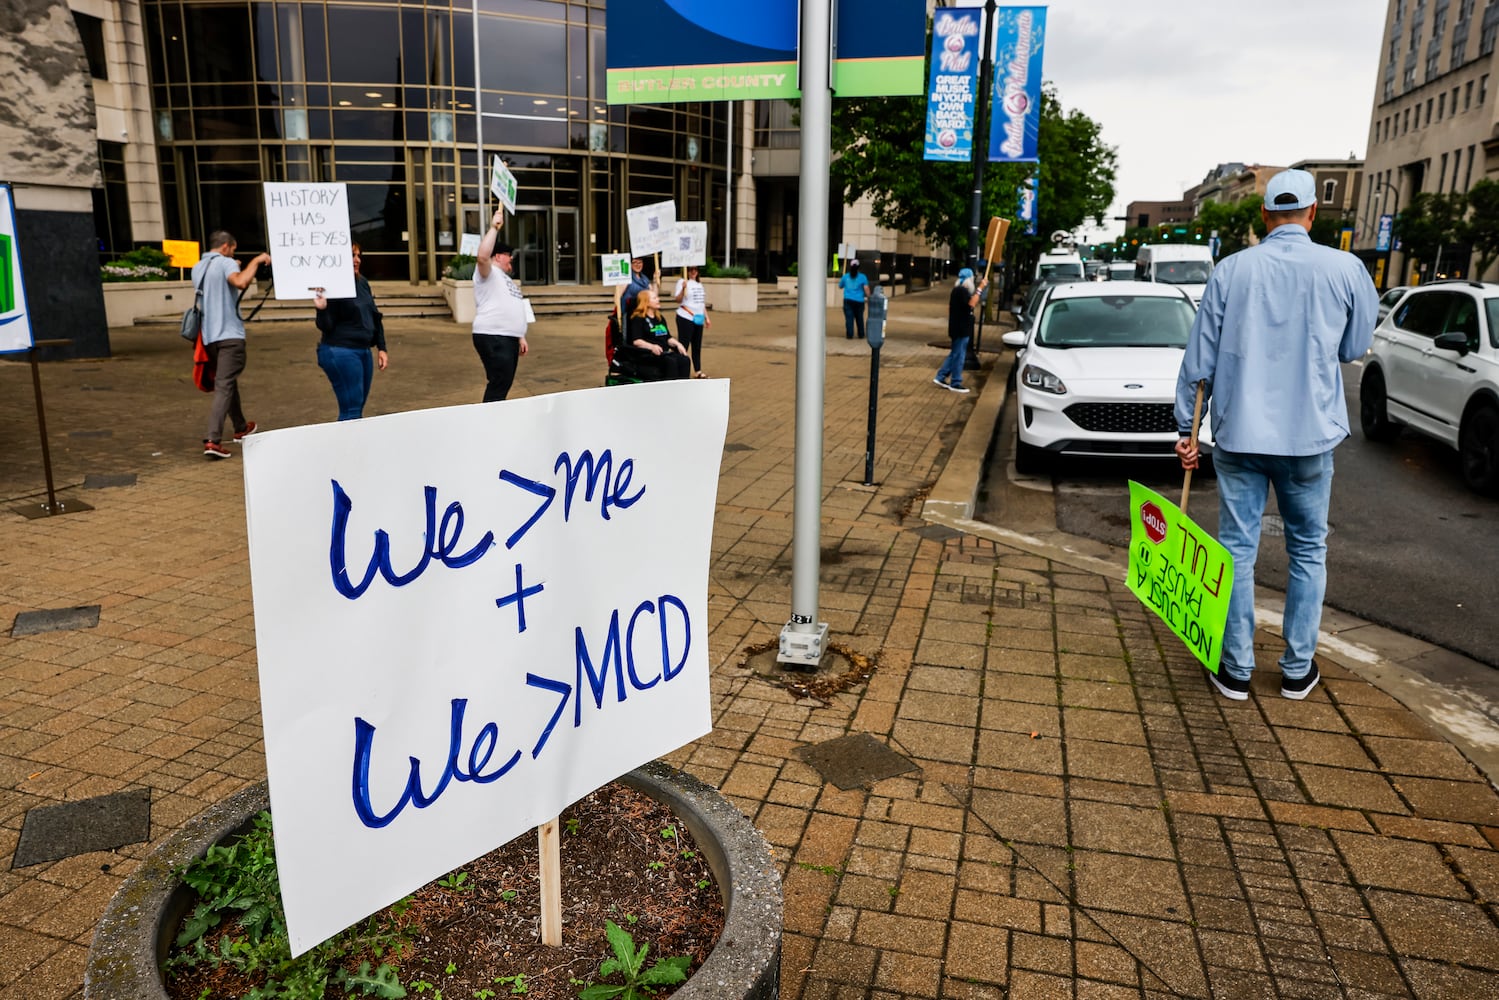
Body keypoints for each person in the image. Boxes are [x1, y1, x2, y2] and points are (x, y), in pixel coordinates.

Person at [1174, 168, 1377, 702]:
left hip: (1240, 435)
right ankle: (1296, 669)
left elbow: (1201, 360)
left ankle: (1236, 668)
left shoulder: (1230, 271)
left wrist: (1186, 428)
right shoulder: (1346, 269)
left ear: (1264, 215)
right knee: (1308, 549)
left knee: (1237, 549)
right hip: (1309, 435)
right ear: (1313, 213)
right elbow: (1354, 349)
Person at [194, 230, 270, 459]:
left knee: (226, 382)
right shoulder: (226, 263)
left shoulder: (198, 267)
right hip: (229, 336)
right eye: (233, 249)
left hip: (209, 338)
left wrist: (233, 265)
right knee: (225, 385)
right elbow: (240, 282)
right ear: (226, 246)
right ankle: (213, 440)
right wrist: (256, 260)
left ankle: (240, 427)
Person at [311, 243, 387, 420]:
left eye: (359, 255)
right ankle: (345, 446)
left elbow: (375, 315)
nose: (357, 260)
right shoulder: (333, 286)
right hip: (341, 351)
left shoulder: (362, 282)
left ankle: (351, 445)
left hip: (363, 351)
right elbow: (326, 325)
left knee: (357, 406)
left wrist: (382, 347)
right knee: (351, 409)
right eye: (352, 255)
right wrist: (321, 308)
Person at [472, 208, 529, 402]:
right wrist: (494, 228)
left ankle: (494, 415)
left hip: (508, 337)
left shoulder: (504, 279)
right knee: (500, 381)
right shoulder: (487, 273)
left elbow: (514, 306)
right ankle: (490, 420)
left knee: (503, 382)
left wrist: (520, 336)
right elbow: (481, 257)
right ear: (497, 256)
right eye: (507, 254)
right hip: (493, 335)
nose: (511, 258)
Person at [935, 268, 985, 394]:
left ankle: (941, 376)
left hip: (957, 327)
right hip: (961, 328)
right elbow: (972, 303)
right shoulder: (962, 291)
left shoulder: (957, 291)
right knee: (959, 355)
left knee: (955, 354)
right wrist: (981, 288)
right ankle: (955, 382)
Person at [623, 290, 691, 381]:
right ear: (646, 302)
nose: (658, 299)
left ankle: (684, 388)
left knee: (685, 360)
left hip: (664, 353)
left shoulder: (659, 318)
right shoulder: (638, 319)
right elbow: (637, 341)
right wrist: (652, 347)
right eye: (654, 298)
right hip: (648, 354)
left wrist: (678, 344)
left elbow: (667, 338)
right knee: (671, 362)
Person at [673, 265, 710, 377]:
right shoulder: (682, 282)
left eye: (695, 269)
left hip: (698, 318)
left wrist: (707, 317)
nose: (693, 272)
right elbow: (678, 300)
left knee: (697, 345)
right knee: (684, 344)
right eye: (690, 270)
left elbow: (701, 303)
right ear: (687, 271)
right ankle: (678, 368)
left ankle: (697, 370)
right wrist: (683, 288)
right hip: (686, 316)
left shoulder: (699, 284)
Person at [838, 259, 870, 339]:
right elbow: (866, 288)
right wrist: (869, 297)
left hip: (848, 300)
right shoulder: (863, 277)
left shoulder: (845, 277)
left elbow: (840, 286)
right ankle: (861, 334)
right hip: (859, 301)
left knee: (849, 318)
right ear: (858, 267)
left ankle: (850, 334)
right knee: (859, 318)